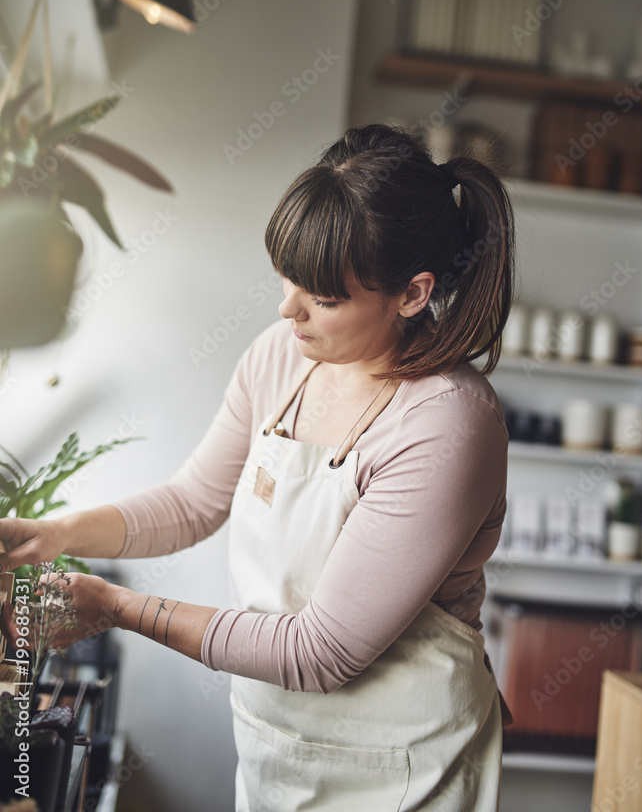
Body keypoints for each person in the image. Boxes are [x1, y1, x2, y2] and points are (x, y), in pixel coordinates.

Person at [0, 123, 516, 810]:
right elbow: (193, 503)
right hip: (281, 744)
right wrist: (57, 533)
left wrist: (116, 607)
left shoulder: (448, 423)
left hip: (405, 767)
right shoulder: (281, 356)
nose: (287, 309)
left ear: (413, 294)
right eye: (287, 279)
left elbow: (319, 652)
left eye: (323, 299)